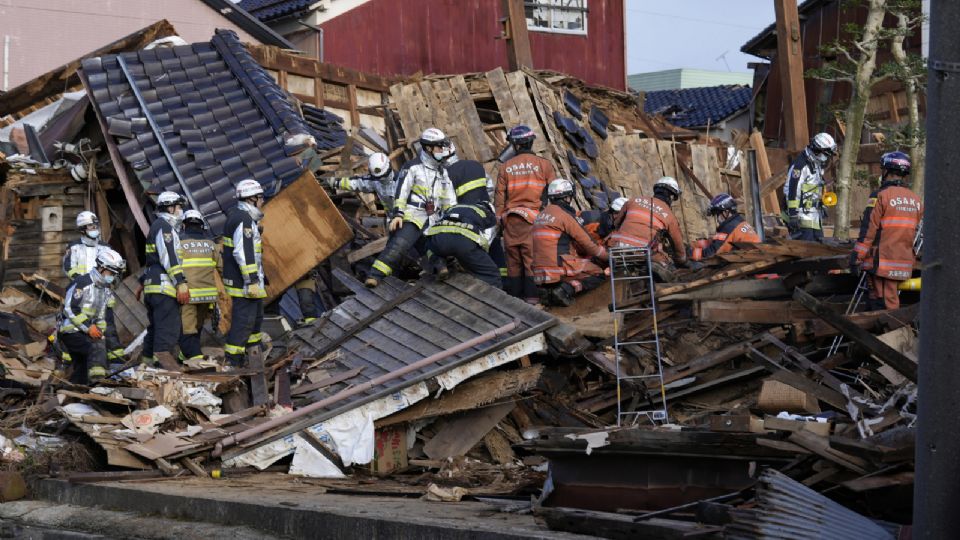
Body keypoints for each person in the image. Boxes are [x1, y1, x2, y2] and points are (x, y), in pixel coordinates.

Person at [366, 128, 457, 288]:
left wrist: (452, 216)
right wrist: (398, 214)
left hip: (433, 217)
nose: (442, 150)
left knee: (432, 247)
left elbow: (448, 198)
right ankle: (375, 276)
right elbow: (401, 191)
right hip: (413, 214)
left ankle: (441, 269)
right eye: (439, 147)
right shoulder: (412, 167)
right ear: (428, 148)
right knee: (398, 245)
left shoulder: (442, 172)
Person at [851, 151, 922, 310]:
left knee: (883, 307)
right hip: (903, 263)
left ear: (887, 171)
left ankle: (890, 334)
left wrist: (856, 258)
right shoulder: (916, 200)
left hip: (881, 264)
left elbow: (868, 231)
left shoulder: (880, 196)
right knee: (889, 300)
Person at [495, 125, 556, 304]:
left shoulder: (505, 167)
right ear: (530, 142)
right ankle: (532, 298)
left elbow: (499, 198)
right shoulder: (544, 164)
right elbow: (552, 192)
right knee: (531, 260)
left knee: (513, 261)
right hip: (533, 220)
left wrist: (500, 220)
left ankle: (515, 300)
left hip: (511, 220)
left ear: (515, 145)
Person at [532, 179, 608, 306]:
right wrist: (607, 257)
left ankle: (550, 292)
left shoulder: (540, 215)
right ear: (568, 197)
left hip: (539, 271)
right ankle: (566, 289)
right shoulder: (564, 215)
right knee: (599, 273)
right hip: (559, 266)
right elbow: (589, 244)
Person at [56, 249, 125, 384]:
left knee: (82, 367)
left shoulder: (104, 290)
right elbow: (70, 308)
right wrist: (89, 327)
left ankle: (72, 392)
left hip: (85, 332)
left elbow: (100, 316)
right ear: (102, 268)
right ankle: (98, 383)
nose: (112, 277)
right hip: (71, 331)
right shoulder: (82, 283)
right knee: (97, 347)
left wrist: (100, 331)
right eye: (111, 273)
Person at [424, 166, 501, 287]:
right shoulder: (488, 214)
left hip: (438, 239)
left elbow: (435, 225)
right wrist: (475, 257)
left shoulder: (456, 207)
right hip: (464, 242)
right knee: (491, 274)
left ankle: (440, 264)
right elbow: (486, 240)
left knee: (429, 245)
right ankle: (496, 302)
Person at [222, 179, 267, 368]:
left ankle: (254, 355)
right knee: (244, 324)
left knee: (254, 322)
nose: (263, 200)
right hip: (245, 284)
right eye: (261, 197)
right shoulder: (244, 220)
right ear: (252, 199)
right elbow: (244, 253)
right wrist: (253, 281)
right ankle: (234, 362)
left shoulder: (238, 216)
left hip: (245, 282)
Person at [142, 191, 189, 371]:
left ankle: (146, 365)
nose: (181, 211)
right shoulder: (165, 228)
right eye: (179, 207)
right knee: (168, 328)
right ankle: (161, 366)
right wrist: (181, 282)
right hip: (164, 287)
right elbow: (169, 256)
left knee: (155, 328)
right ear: (170, 208)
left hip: (153, 288)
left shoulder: (157, 226)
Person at [607, 177, 692, 272]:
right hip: (643, 251)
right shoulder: (669, 216)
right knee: (668, 267)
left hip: (616, 248)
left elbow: (617, 224)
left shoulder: (633, 200)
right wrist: (682, 260)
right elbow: (677, 244)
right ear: (671, 197)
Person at [177, 210, 219, 363]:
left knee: (188, 327)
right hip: (208, 295)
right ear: (202, 225)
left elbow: (172, 267)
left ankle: (195, 359)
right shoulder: (211, 244)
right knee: (198, 324)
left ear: (184, 225)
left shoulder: (179, 243)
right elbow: (221, 268)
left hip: (187, 294)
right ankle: (184, 354)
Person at [785, 132, 837, 241]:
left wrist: (821, 203)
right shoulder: (800, 165)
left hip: (815, 216)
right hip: (801, 217)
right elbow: (792, 190)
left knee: (819, 247)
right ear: (817, 150)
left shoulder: (815, 163)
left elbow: (814, 187)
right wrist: (793, 215)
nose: (827, 157)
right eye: (826, 153)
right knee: (807, 250)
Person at [690, 193, 761, 261]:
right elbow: (718, 242)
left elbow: (711, 254)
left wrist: (689, 253)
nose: (717, 219)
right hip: (757, 257)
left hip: (749, 262)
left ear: (726, 212)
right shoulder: (740, 221)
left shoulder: (729, 227)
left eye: (718, 214)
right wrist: (697, 244)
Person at [62, 211, 105, 279]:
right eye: (90, 225)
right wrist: (80, 280)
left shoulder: (105, 247)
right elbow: (68, 268)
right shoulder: (74, 247)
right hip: (80, 287)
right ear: (82, 229)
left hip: (101, 287)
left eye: (95, 224)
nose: (94, 227)